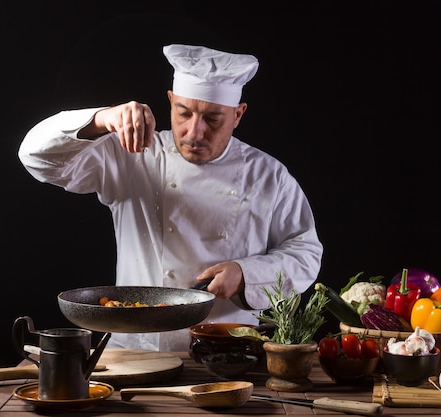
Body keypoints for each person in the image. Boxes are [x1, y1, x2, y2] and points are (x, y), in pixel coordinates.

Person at [18, 44, 323, 352]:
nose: (195, 131)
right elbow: (36, 156)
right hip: (135, 349)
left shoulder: (268, 175)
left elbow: (305, 252)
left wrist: (247, 274)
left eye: (213, 118)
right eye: (184, 113)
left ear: (237, 114)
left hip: (226, 353)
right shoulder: (133, 155)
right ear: (170, 101)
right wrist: (102, 119)